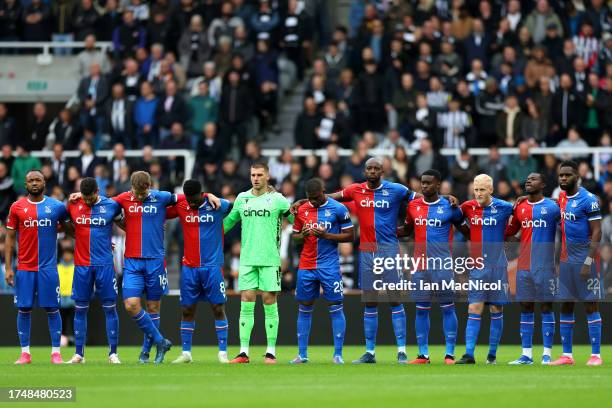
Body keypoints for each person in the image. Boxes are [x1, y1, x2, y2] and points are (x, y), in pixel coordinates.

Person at [292, 158, 421, 363]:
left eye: (375, 169)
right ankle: (370, 352)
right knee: (370, 301)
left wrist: (444, 198)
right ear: (364, 171)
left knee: (394, 299)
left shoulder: (396, 189)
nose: (371, 171)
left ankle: (402, 351)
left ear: (382, 171)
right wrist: (303, 202)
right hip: (367, 251)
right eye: (369, 168)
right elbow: (329, 197)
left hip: (389, 251)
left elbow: (421, 199)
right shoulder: (355, 190)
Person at [223, 163, 293, 364]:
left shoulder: (278, 200)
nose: (256, 178)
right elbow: (229, 222)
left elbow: (295, 219)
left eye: (260, 174)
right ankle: (243, 352)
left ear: (268, 176)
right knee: (246, 301)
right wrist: (210, 235)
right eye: (253, 174)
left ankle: (271, 352)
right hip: (247, 259)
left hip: (270, 259)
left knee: (270, 301)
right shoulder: (242, 198)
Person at [5, 170, 71, 364]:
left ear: (44, 183)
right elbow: (9, 240)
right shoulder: (16, 207)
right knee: (24, 309)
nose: (34, 183)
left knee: (52, 309)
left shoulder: (57, 207)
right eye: (31, 180)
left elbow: (71, 229)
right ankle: (25, 353)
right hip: (25, 268)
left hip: (48, 269)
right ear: (25, 185)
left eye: (38, 180)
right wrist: (9, 267)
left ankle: (56, 353)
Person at [398, 170, 464, 364]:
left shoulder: (449, 206)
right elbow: (407, 230)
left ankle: (450, 354)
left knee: (447, 309)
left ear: (438, 185)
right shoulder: (413, 206)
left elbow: (466, 229)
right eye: (422, 183)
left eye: (429, 183)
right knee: (420, 310)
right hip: (420, 267)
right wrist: (386, 232)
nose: (425, 186)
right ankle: (423, 355)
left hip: (442, 266)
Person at [166, 179, 232, 364]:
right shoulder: (182, 205)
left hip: (212, 267)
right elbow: (161, 211)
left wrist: (211, 196)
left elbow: (238, 208)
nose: (191, 203)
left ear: (201, 194)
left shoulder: (216, 204)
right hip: (189, 268)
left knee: (218, 307)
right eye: (188, 199)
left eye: (194, 199)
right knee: (187, 309)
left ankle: (223, 353)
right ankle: (186, 353)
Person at [290, 178, 354, 364]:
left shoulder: (338, 209)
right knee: (304, 307)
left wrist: (326, 235)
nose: (314, 201)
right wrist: (303, 235)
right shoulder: (302, 209)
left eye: (317, 197)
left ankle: (338, 354)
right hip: (306, 266)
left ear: (323, 191)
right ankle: (302, 355)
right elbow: (295, 237)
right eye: (310, 198)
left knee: (335, 307)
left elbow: (351, 236)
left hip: (329, 266)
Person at [455, 174, 513, 365]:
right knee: (474, 307)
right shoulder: (467, 207)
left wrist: (508, 237)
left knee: (496, 308)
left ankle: (492, 356)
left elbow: (522, 217)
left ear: (491, 190)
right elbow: (455, 218)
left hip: (498, 266)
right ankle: (469, 354)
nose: (478, 193)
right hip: (478, 267)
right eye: (476, 189)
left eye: (482, 189)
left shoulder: (504, 207)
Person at [65, 177, 123, 364]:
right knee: (80, 309)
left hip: (105, 266)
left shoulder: (111, 205)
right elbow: (65, 226)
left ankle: (113, 353)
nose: (88, 201)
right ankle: (79, 354)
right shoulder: (73, 204)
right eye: (85, 197)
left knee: (110, 309)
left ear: (98, 191)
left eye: (91, 197)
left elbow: (126, 225)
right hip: (82, 265)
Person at [551, 161, 603, 366]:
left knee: (590, 305)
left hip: (584, 260)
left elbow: (598, 231)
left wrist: (588, 261)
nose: (563, 178)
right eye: (560, 175)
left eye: (567, 175)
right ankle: (567, 355)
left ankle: (596, 355)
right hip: (565, 261)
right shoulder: (562, 198)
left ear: (577, 177)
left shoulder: (589, 200)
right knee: (566, 305)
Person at [505, 173, 560, 365]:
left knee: (546, 307)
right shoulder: (520, 207)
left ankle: (546, 354)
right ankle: (526, 354)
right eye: (527, 179)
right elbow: (509, 232)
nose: (528, 181)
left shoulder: (553, 207)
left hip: (545, 267)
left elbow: (569, 222)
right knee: (526, 307)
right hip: (524, 266)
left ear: (543, 184)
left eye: (534, 179)